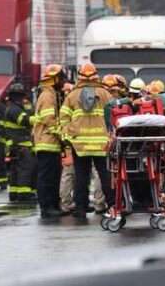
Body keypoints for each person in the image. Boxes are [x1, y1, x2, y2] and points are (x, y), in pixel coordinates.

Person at [60, 63, 114, 218]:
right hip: (101, 144)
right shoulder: (105, 94)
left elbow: (63, 118)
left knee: (81, 176)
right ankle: (111, 205)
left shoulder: (71, 95)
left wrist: (68, 136)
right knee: (105, 175)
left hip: (79, 144)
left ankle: (80, 208)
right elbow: (113, 117)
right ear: (96, 75)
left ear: (80, 76)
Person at [33, 64, 68, 218]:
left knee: (54, 177)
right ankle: (46, 207)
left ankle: (54, 205)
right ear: (54, 79)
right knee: (46, 177)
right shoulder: (47, 96)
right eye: (61, 78)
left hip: (52, 143)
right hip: (46, 143)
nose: (63, 81)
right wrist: (62, 133)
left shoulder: (52, 93)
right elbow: (49, 119)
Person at [3, 83, 37, 202]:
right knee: (25, 170)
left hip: (15, 146)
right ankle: (23, 195)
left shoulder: (12, 108)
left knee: (15, 171)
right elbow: (25, 121)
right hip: (20, 146)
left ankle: (14, 194)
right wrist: (40, 118)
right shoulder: (15, 109)